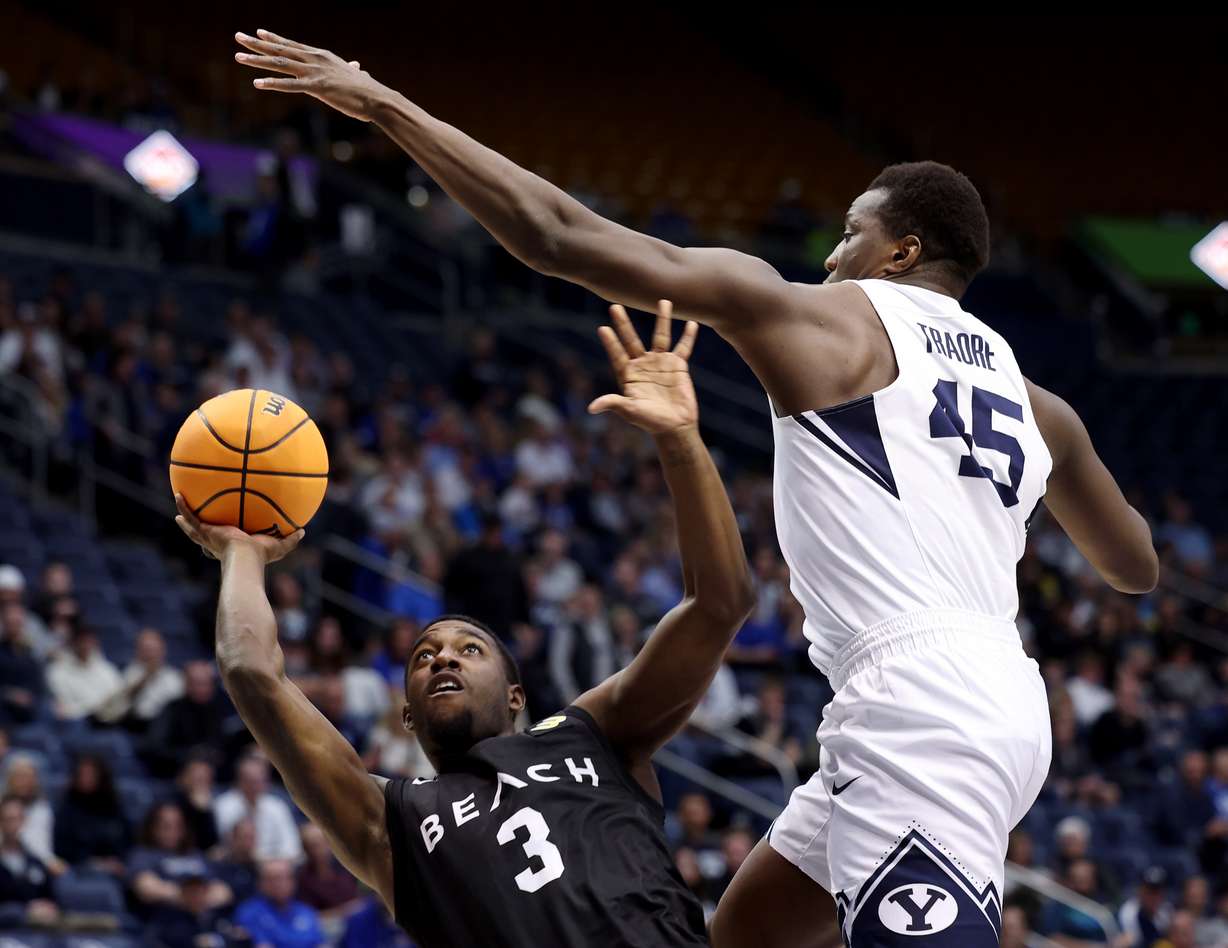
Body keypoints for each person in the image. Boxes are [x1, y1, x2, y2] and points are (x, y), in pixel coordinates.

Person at [234, 33, 1158, 947]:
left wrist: (384, 104)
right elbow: (1134, 566)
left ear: (902, 253)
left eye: (850, 235)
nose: (831, 257)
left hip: (918, 699)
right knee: (742, 935)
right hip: (1003, 685)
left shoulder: (820, 318)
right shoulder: (1041, 407)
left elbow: (557, 237)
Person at [173, 304, 754, 947]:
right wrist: (243, 553)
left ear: (515, 696)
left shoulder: (595, 734)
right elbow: (253, 672)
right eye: (423, 656)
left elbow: (719, 603)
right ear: (407, 717)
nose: (441, 659)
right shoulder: (390, 822)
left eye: (468, 648)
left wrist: (680, 441)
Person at [213, 754, 303, 862]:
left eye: (260, 781)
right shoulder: (223, 806)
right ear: (240, 781)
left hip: (272, 866)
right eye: (251, 781)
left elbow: (292, 848)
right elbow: (225, 845)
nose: (256, 786)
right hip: (235, 863)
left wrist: (265, 859)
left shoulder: (277, 806)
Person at [53, 753, 130, 874]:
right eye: (82, 774)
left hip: (115, 869)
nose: (86, 779)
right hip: (78, 869)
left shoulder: (114, 809)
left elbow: (126, 842)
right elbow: (62, 849)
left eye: (91, 774)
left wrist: (116, 861)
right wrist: (93, 863)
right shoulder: (66, 810)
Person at [234, 858, 326, 948]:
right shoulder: (249, 913)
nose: (279, 884)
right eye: (273, 879)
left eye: (284, 877)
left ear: (293, 881)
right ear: (261, 883)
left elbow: (321, 943)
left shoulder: (306, 911)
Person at [0, 796, 59, 929]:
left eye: (17, 819)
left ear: (24, 821)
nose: (13, 825)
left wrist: (49, 908)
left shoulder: (36, 862)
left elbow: (52, 899)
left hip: (36, 933)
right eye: (8, 819)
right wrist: (26, 910)